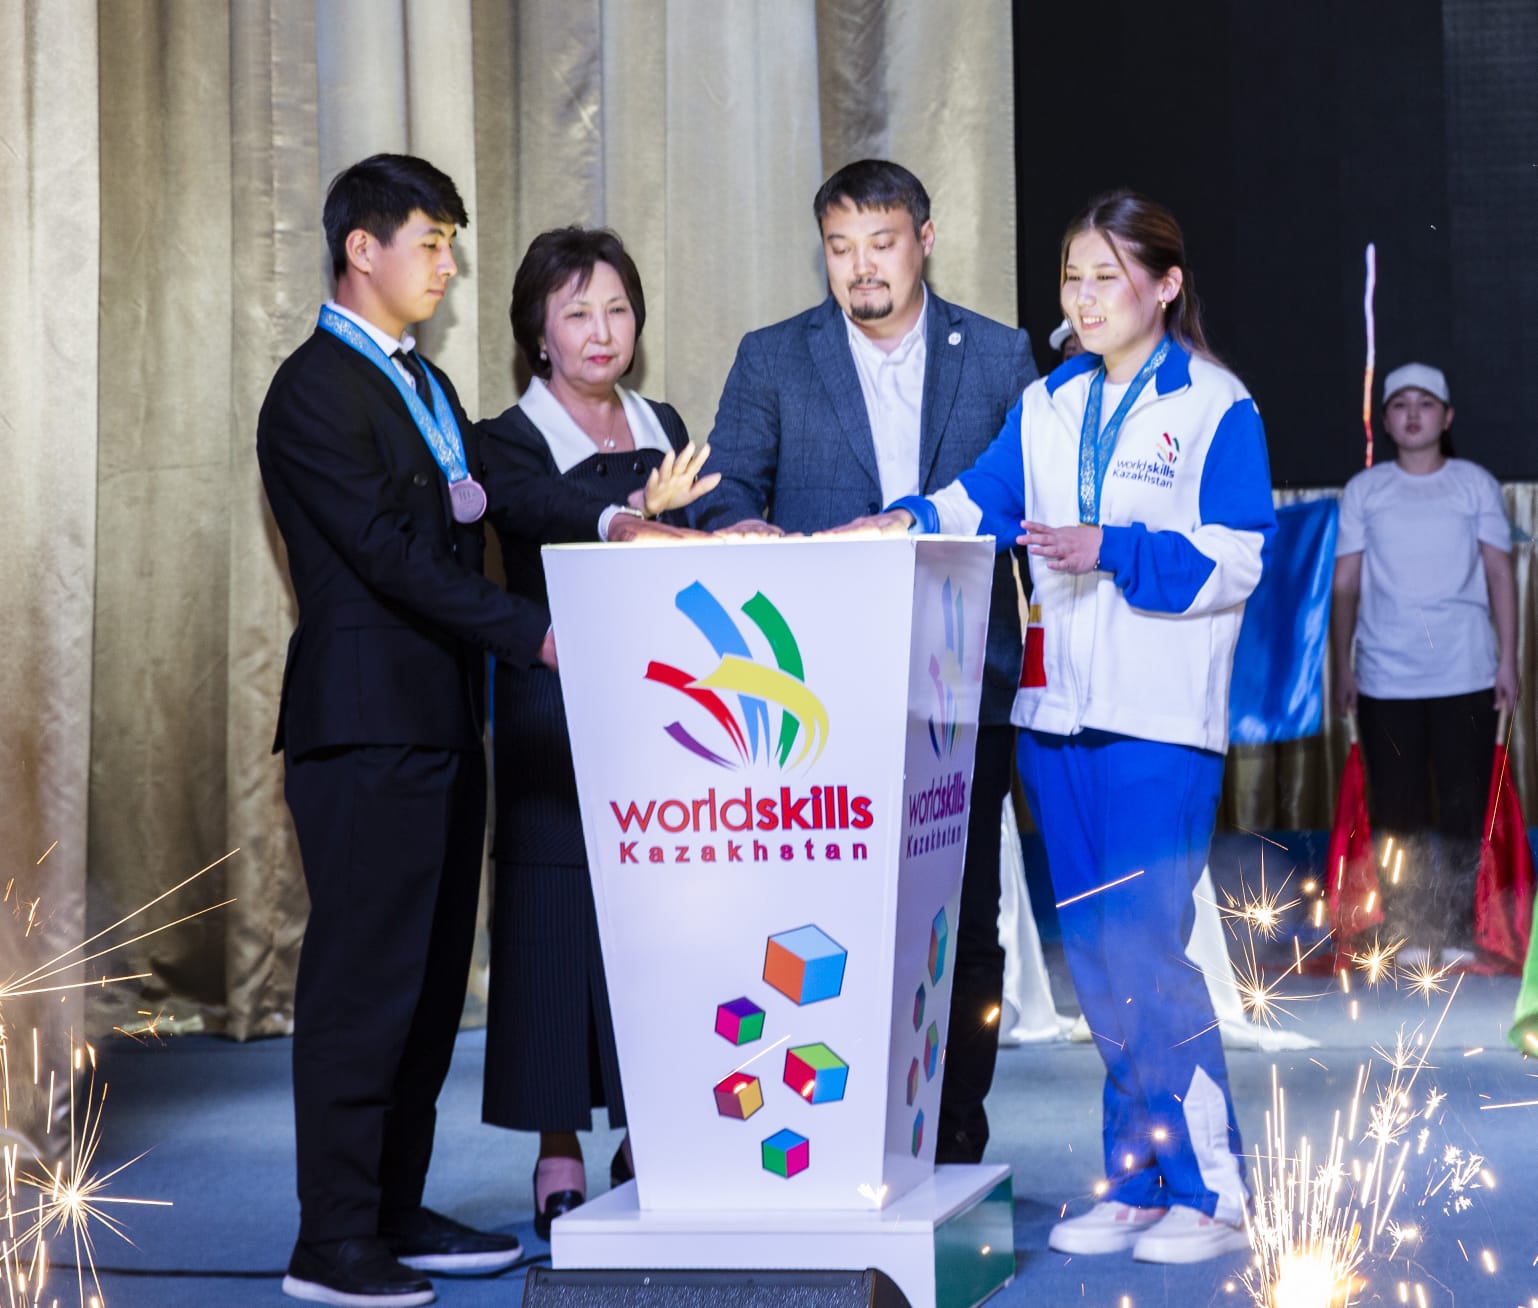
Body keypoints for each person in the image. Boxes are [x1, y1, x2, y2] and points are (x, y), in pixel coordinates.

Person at [851, 190, 1274, 1263]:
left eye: (1105, 278)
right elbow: (979, 498)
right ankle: (1137, 1177)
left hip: (1157, 720)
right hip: (1055, 718)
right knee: (1094, 958)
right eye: (1071, 279)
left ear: (1164, 286)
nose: (1083, 299)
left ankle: (1213, 1190)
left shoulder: (1213, 405)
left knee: (1146, 948)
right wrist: (898, 521)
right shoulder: (1047, 402)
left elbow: (1238, 557)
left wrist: (1113, 548)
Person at [686, 158, 1038, 1165]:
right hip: (818, 693)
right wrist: (737, 524)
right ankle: (829, 1128)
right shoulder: (773, 357)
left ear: (923, 240)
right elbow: (724, 483)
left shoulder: (999, 354)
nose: (860, 267)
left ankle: (955, 1128)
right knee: (824, 911)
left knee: (962, 917)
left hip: (964, 687)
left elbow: (1028, 493)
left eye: (880, 244)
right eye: (840, 248)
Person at [257, 153, 556, 1307]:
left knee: (429, 985)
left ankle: (391, 1205)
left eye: (448, 246)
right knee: (364, 983)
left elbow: (497, 492)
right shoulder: (313, 391)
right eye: (429, 243)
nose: (446, 266)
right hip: (361, 728)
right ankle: (330, 1240)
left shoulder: (418, 382)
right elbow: (386, 558)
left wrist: (624, 517)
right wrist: (533, 633)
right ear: (361, 249)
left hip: (437, 718)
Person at [476, 228, 715, 1240]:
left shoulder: (664, 423)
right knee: (551, 922)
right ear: (538, 332)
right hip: (552, 702)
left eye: (616, 308)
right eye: (576, 312)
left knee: (656, 921)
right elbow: (539, 513)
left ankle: (648, 1128)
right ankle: (557, 1147)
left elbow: (691, 543)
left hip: (660, 707)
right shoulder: (502, 438)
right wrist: (630, 510)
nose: (600, 330)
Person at [1330, 363, 1517, 968]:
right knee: (1398, 811)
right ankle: (1410, 930)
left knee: (1464, 807)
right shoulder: (1366, 491)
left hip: (1466, 671)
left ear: (1447, 416)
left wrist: (1509, 661)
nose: (1413, 414)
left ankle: (1459, 932)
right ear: (1385, 421)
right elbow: (1346, 585)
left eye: (1426, 403)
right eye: (1400, 404)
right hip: (1386, 677)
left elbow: (1499, 575)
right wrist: (1343, 665)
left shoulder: (1474, 484)